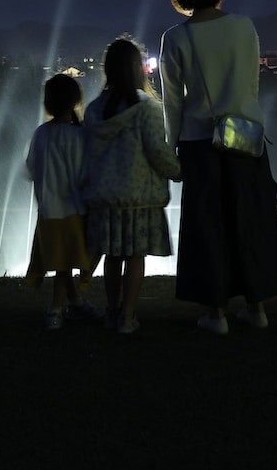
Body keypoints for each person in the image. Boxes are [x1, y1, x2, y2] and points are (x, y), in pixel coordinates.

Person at [158, 0, 277, 335]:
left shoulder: (176, 38)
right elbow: (251, 86)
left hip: (201, 144)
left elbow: (173, 104)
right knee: (250, 220)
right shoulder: (244, 27)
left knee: (208, 226)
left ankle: (215, 314)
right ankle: (258, 307)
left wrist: (172, 150)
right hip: (246, 139)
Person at [83, 38, 180, 334]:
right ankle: (128, 317)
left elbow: (87, 154)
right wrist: (177, 170)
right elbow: (156, 150)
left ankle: (112, 312)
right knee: (135, 258)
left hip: (104, 197)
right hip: (139, 197)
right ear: (137, 69)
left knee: (112, 257)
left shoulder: (94, 110)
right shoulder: (147, 107)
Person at [24, 73, 99, 329]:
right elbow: (86, 173)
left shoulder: (41, 134)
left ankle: (76, 302)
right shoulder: (80, 136)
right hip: (73, 210)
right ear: (76, 101)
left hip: (47, 211)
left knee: (60, 261)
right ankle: (55, 311)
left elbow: (30, 168)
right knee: (65, 264)